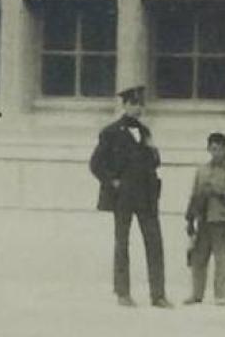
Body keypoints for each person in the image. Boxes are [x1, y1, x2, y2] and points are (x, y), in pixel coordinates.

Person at [90, 85, 172, 308]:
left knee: (155, 243)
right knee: (122, 244)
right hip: (123, 197)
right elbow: (95, 164)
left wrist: (153, 149)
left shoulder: (145, 132)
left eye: (140, 104)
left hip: (146, 196)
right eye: (133, 103)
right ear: (124, 105)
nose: (138, 108)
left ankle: (158, 295)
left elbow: (154, 163)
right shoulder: (110, 132)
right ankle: (123, 293)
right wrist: (113, 182)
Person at [184, 132, 225, 306]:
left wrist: (220, 194)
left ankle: (220, 295)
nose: (217, 152)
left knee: (221, 258)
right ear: (208, 149)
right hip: (203, 219)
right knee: (198, 258)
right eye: (213, 148)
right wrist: (189, 219)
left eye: (221, 149)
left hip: (222, 219)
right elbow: (194, 194)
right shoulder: (202, 170)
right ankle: (196, 294)